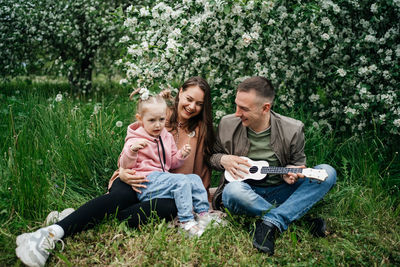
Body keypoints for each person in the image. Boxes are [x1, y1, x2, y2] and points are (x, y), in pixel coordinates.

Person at [15, 77, 216, 267]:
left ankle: (78, 216)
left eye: (199, 104)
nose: (192, 107)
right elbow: (130, 148)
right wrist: (123, 172)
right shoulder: (159, 115)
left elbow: (199, 172)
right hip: (133, 177)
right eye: (189, 99)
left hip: (167, 189)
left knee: (168, 208)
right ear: (180, 93)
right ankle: (53, 232)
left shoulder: (201, 130)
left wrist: (203, 197)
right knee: (121, 196)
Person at [209, 76, 337, 255]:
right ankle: (294, 218)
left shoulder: (293, 129)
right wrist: (223, 160)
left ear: (265, 108)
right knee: (232, 192)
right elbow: (211, 157)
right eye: (236, 105)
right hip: (244, 193)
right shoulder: (227, 123)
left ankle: (271, 221)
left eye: (244, 109)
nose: (237, 113)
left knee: (328, 172)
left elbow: (298, 165)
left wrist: (290, 173)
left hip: (280, 190)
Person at [118, 91, 218, 236]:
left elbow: (171, 163)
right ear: (140, 119)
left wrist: (181, 155)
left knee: (194, 179)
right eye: (152, 120)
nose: (158, 125)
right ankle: (186, 222)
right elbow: (125, 164)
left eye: (162, 119)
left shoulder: (166, 136)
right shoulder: (136, 138)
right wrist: (132, 151)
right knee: (181, 180)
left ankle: (204, 215)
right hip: (146, 183)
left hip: (162, 179)